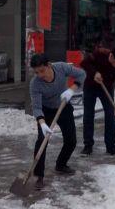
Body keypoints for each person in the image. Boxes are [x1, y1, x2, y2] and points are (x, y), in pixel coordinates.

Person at [30, 53, 86, 190]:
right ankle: (38, 176)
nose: (40, 75)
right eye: (36, 72)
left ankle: (61, 165)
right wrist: (42, 123)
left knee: (71, 140)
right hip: (46, 111)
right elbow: (36, 107)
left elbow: (82, 74)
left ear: (48, 65)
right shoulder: (35, 84)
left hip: (64, 106)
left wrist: (72, 90)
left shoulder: (61, 68)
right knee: (42, 141)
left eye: (42, 71)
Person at [80, 47, 115, 156]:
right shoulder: (100, 53)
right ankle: (88, 146)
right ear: (111, 56)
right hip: (90, 86)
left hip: (107, 88)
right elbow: (83, 63)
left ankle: (111, 146)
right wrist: (94, 73)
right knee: (88, 115)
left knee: (110, 115)